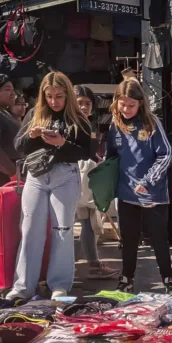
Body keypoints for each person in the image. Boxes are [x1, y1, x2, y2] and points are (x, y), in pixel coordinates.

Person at [9, 71, 91, 300]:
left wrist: (62, 143)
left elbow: (86, 152)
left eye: (59, 96)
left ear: (67, 95)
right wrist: (33, 135)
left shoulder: (78, 118)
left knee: (63, 230)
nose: (54, 102)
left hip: (64, 174)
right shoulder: (34, 114)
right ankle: (23, 286)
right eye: (49, 96)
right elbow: (18, 145)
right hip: (37, 176)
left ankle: (59, 284)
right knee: (30, 229)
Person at [106, 78, 172, 294]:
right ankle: (126, 278)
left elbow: (166, 154)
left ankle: (168, 279)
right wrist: (104, 182)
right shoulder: (115, 124)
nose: (126, 109)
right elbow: (111, 157)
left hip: (152, 194)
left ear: (141, 104)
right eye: (122, 104)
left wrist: (148, 181)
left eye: (132, 105)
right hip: (126, 194)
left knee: (158, 239)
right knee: (128, 239)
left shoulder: (151, 123)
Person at [74, 84, 117, 280]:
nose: (84, 107)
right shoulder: (72, 123)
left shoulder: (87, 124)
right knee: (73, 224)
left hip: (85, 179)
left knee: (88, 222)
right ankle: (82, 266)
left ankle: (92, 264)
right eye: (79, 103)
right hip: (74, 180)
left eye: (88, 103)